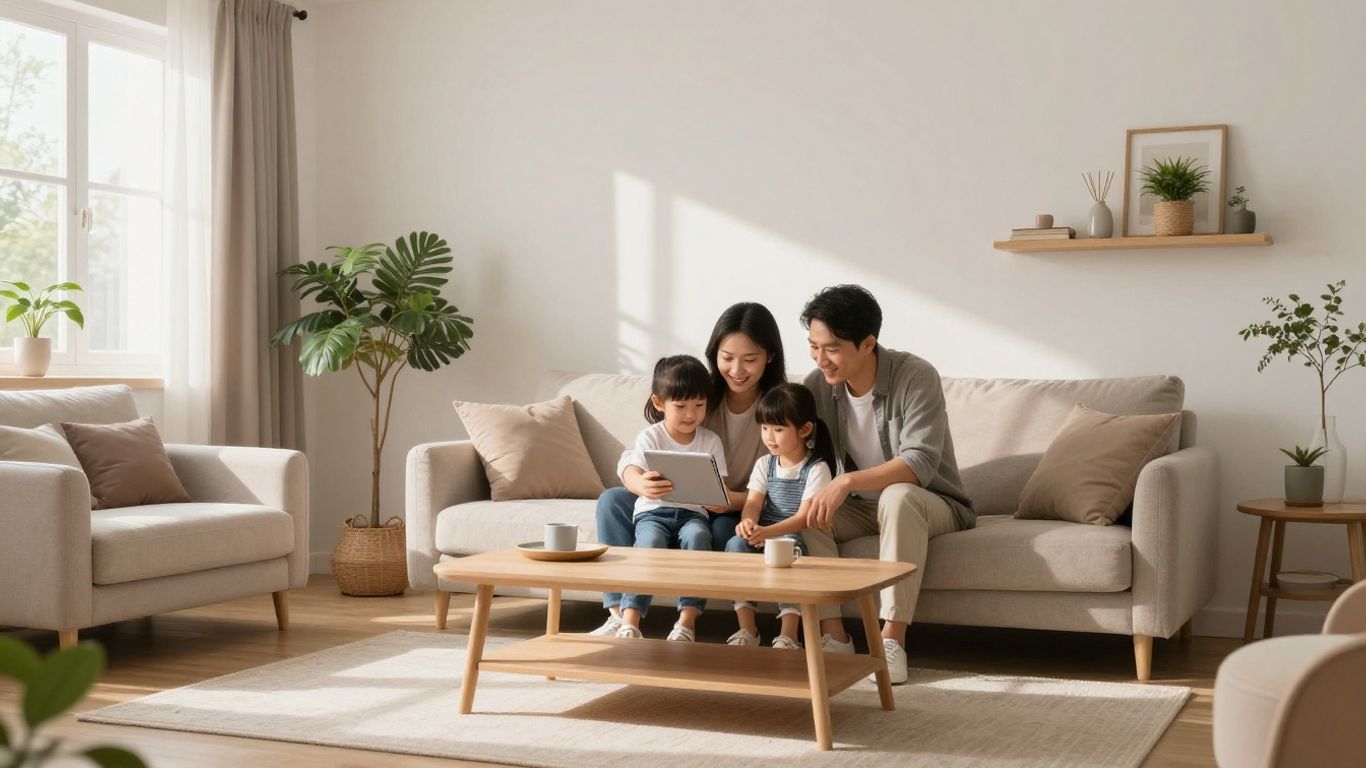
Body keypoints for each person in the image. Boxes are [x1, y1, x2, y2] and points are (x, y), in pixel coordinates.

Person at [798, 285, 974, 684]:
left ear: (868, 343)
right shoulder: (817, 386)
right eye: (813, 346)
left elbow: (919, 462)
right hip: (862, 507)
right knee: (808, 510)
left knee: (897, 497)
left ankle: (891, 640)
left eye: (832, 348)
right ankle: (834, 636)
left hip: (930, 501)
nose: (820, 359)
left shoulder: (916, 376)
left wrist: (846, 481)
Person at [592, 303, 787, 636]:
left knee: (723, 530)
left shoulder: (777, 408)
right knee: (612, 501)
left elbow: (785, 483)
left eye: (749, 359)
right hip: (674, 500)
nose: (736, 370)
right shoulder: (698, 393)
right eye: (727, 357)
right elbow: (633, 457)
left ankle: (693, 616)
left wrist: (733, 500)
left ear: (769, 356)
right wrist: (639, 481)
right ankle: (618, 612)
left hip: (735, 506)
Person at [608, 355, 729, 642]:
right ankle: (630, 621)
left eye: (699, 405)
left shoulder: (710, 440)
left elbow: (721, 488)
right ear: (659, 403)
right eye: (681, 406)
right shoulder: (650, 437)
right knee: (649, 543)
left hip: (693, 515)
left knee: (699, 537)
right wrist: (644, 484)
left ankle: (687, 621)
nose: (690, 414)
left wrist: (717, 498)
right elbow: (634, 472)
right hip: (653, 512)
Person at [724, 383, 836, 650]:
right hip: (764, 532)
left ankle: (789, 634)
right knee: (735, 545)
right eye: (764, 428)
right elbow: (753, 502)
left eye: (778, 429)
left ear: (804, 430)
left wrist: (768, 533)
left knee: (790, 550)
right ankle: (747, 629)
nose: (769, 437)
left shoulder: (817, 468)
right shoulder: (765, 464)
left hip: (792, 535)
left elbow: (804, 518)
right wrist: (748, 522)